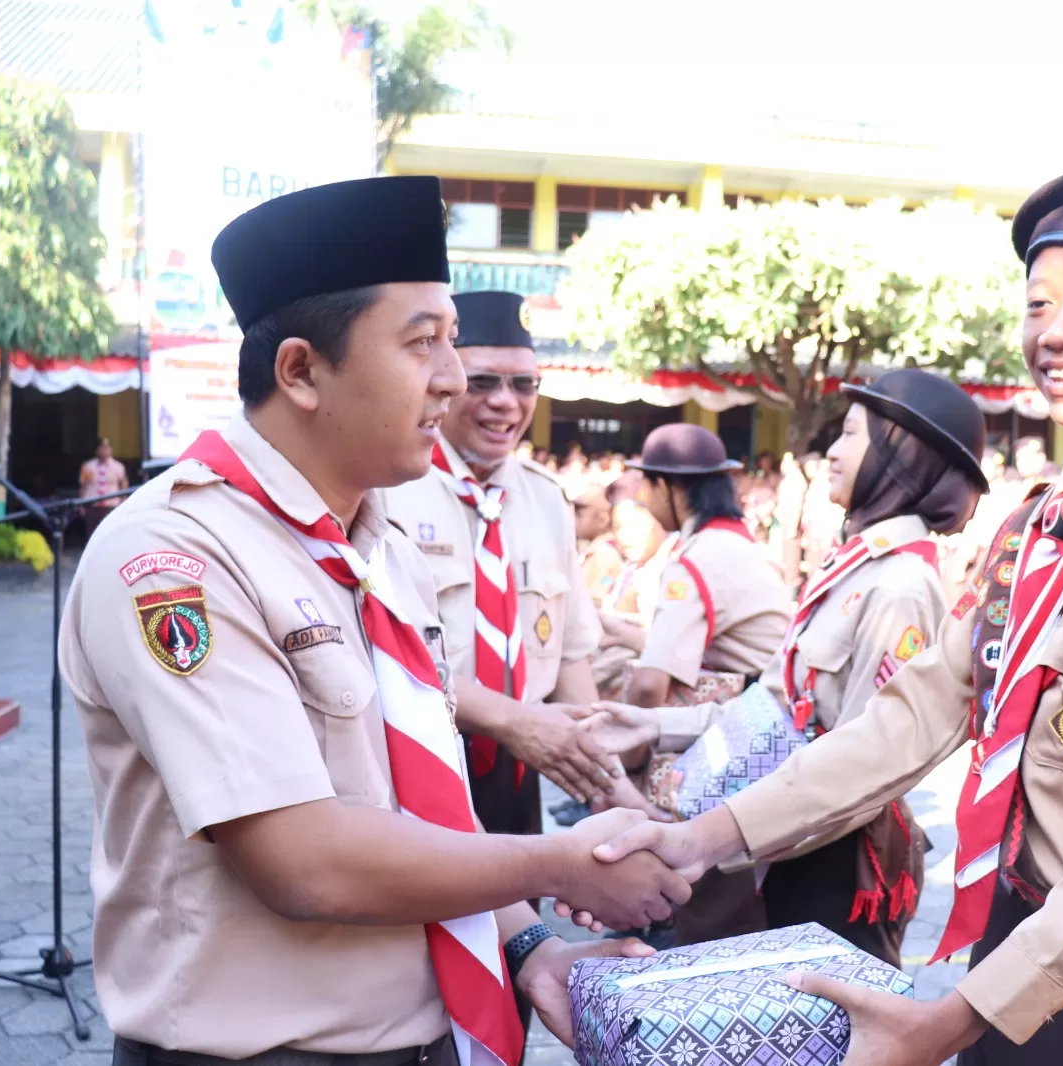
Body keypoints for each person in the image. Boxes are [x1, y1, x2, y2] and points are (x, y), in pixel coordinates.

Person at [571, 166, 1063, 1066]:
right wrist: (695, 840)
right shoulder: (1044, 527)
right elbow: (913, 717)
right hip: (1013, 959)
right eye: (1038, 304)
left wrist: (950, 1020)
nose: (1058, 333)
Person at [58, 177, 689, 1066]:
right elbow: (304, 859)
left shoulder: (378, 544)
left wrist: (529, 944)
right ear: (302, 371)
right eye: (422, 343)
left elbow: (424, 795)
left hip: (425, 1037)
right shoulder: (175, 559)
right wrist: (555, 864)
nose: (456, 379)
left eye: (454, 341)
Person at [580, 368, 990, 965]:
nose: (833, 452)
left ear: (901, 456)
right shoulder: (854, 566)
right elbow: (776, 706)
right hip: (779, 836)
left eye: (851, 434)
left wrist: (727, 838)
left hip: (825, 862)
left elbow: (860, 763)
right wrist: (656, 726)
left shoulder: (900, 584)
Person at [384, 290, 615, 837]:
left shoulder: (546, 499)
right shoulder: (387, 489)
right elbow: (390, 656)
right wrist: (514, 723)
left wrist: (611, 792)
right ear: (444, 379)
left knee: (526, 920)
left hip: (520, 775)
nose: (505, 403)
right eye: (483, 381)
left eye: (523, 384)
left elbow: (572, 659)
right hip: (416, 762)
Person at [621, 423, 791, 709]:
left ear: (664, 486)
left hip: (754, 717)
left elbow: (649, 687)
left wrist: (619, 752)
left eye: (644, 485)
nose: (643, 498)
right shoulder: (733, 542)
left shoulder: (697, 560)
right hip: (776, 708)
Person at [79, 437, 129, 539]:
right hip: (93, 506)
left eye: (106, 448)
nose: (104, 451)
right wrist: (81, 505)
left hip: (111, 505)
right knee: (92, 535)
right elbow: (83, 486)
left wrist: (124, 504)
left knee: (110, 535)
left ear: (111, 450)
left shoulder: (118, 467)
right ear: (97, 450)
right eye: (101, 448)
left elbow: (124, 486)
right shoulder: (88, 466)